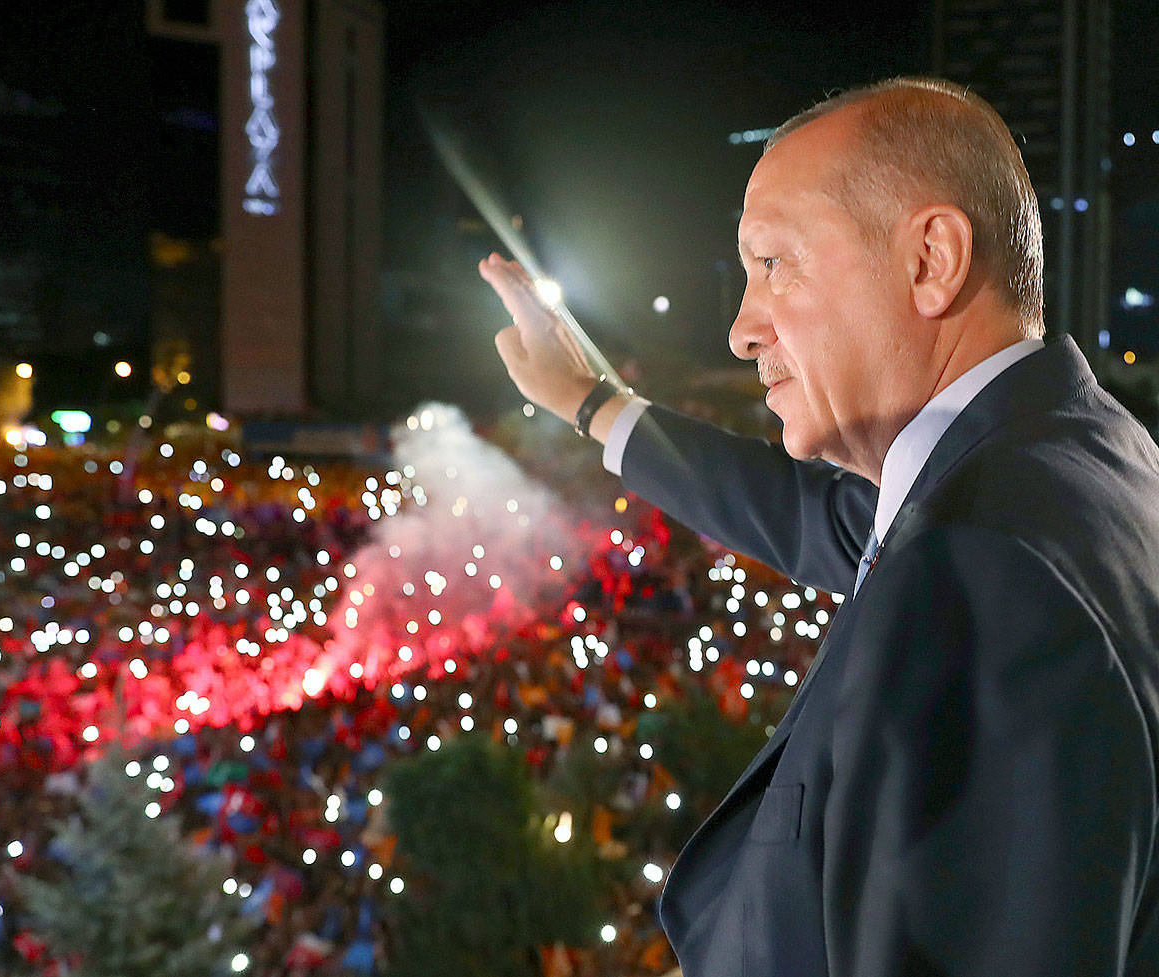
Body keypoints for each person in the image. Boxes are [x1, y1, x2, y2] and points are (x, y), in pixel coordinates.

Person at [479, 77, 1159, 976]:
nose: (739, 330)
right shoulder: (1057, 460)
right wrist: (592, 402)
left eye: (774, 265)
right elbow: (825, 520)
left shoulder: (983, 573)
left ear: (931, 260)